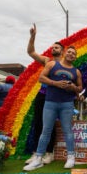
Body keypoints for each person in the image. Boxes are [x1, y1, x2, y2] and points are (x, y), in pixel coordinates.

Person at [24, 46, 83, 171]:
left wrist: (72, 87)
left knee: (68, 130)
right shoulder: (52, 64)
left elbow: (79, 89)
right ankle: (38, 158)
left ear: (75, 57)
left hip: (67, 104)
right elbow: (41, 78)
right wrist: (56, 83)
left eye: (73, 53)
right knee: (46, 130)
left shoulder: (76, 71)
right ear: (64, 53)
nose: (71, 54)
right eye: (69, 52)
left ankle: (71, 157)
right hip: (50, 102)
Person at [25, 23, 64, 165]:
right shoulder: (47, 61)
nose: (53, 49)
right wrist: (33, 36)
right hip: (42, 94)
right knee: (38, 123)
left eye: (57, 47)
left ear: (62, 51)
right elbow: (31, 52)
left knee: (50, 124)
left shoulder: (66, 64)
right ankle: (36, 154)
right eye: (53, 47)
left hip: (55, 97)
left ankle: (49, 153)